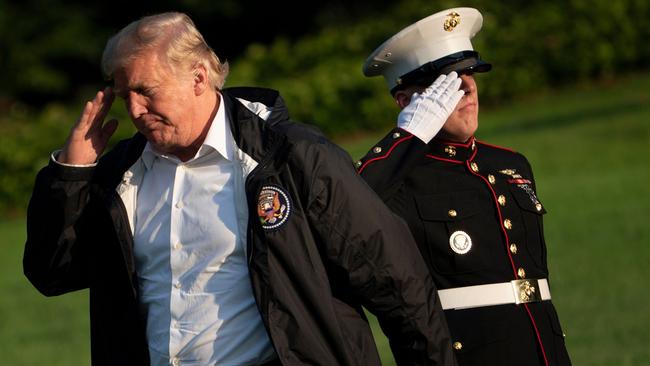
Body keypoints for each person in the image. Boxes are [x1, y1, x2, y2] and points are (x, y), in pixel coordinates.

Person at [22, 12, 462, 366]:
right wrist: (71, 174)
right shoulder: (119, 176)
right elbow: (52, 273)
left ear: (198, 78)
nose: (134, 110)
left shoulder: (292, 156)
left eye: (145, 91)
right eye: (123, 95)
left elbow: (397, 283)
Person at [357, 7, 572, 366]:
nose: (468, 87)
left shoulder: (510, 164)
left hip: (542, 348)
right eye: (448, 80)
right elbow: (342, 208)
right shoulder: (394, 178)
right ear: (408, 101)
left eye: (470, 74)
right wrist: (405, 137)